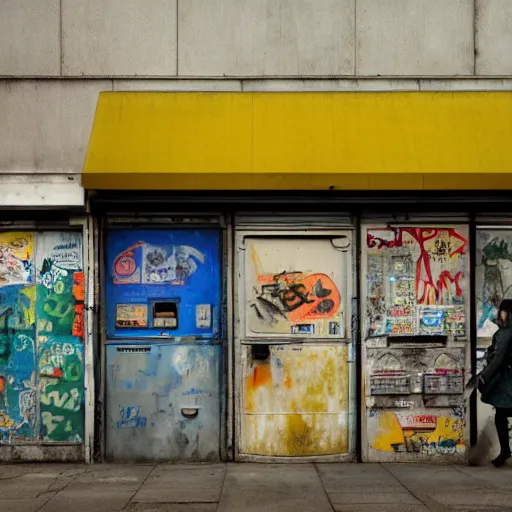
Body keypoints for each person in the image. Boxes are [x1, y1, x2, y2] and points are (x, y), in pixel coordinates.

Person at [479, 299, 512, 467]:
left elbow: (498, 358)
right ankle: (505, 450)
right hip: (506, 379)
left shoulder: (506, 333)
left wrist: (484, 376)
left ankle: (505, 450)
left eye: (502, 311)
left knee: (502, 413)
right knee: (501, 413)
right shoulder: (503, 332)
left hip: (507, 380)